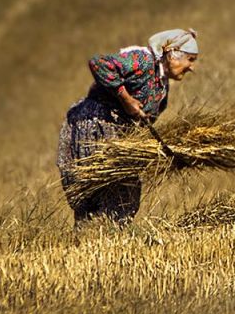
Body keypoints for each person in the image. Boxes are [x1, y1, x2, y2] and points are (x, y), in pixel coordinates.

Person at [56, 28, 199, 225]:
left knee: (122, 196)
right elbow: (99, 63)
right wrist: (125, 98)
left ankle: (104, 239)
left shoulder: (162, 86)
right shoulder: (142, 60)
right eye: (190, 59)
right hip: (95, 125)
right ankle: (92, 235)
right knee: (99, 191)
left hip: (118, 132)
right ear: (171, 53)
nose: (192, 67)